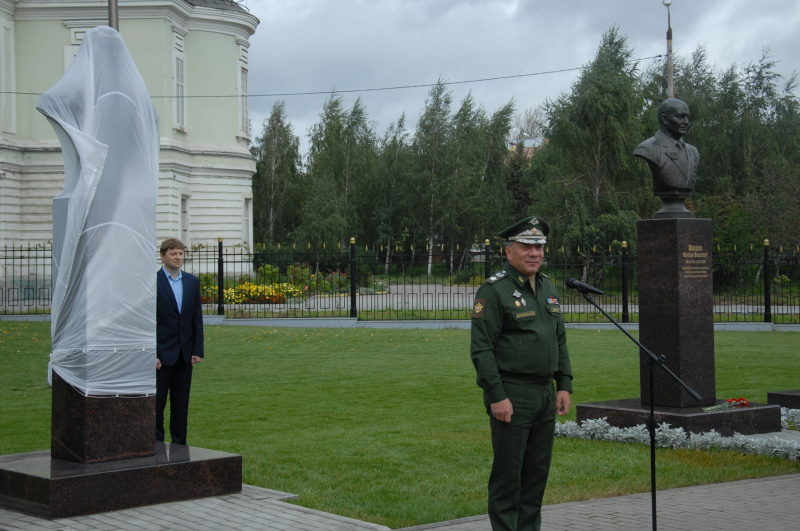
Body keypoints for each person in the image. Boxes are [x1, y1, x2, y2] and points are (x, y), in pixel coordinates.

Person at [470, 216, 573, 531]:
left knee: (535, 477)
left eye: (539, 246)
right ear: (508, 251)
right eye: (527, 246)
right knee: (508, 477)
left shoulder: (547, 287)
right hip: (512, 394)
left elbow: (559, 339)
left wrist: (563, 384)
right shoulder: (494, 291)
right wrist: (497, 395)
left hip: (544, 394)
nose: (534, 253)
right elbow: (482, 349)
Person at [156, 238, 204, 445]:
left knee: (180, 404)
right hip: (160, 354)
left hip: (185, 354)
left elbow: (196, 317)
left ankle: (179, 445)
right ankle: (156, 445)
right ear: (163, 256)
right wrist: (152, 352)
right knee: (156, 405)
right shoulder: (152, 281)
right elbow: (147, 320)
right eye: (173, 254)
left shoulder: (192, 281)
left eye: (181, 254)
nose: (178, 257)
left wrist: (197, 350)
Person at [634, 98, 700, 196]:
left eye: (687, 117)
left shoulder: (693, 152)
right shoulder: (648, 149)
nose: (686, 121)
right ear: (664, 119)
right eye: (680, 116)